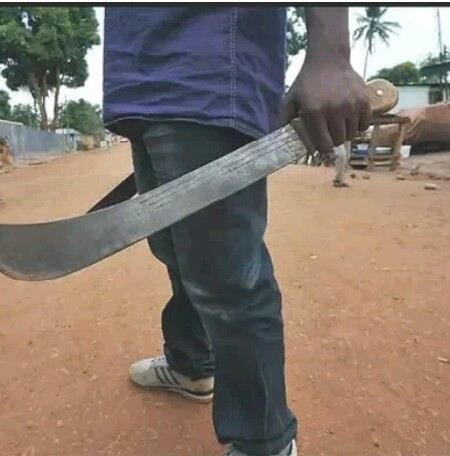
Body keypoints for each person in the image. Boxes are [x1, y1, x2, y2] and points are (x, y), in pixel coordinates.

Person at [103, 7, 370, 456]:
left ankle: (265, 442)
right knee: (175, 248)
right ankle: (191, 364)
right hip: (140, 85)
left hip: (209, 72)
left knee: (227, 276)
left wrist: (332, 54)